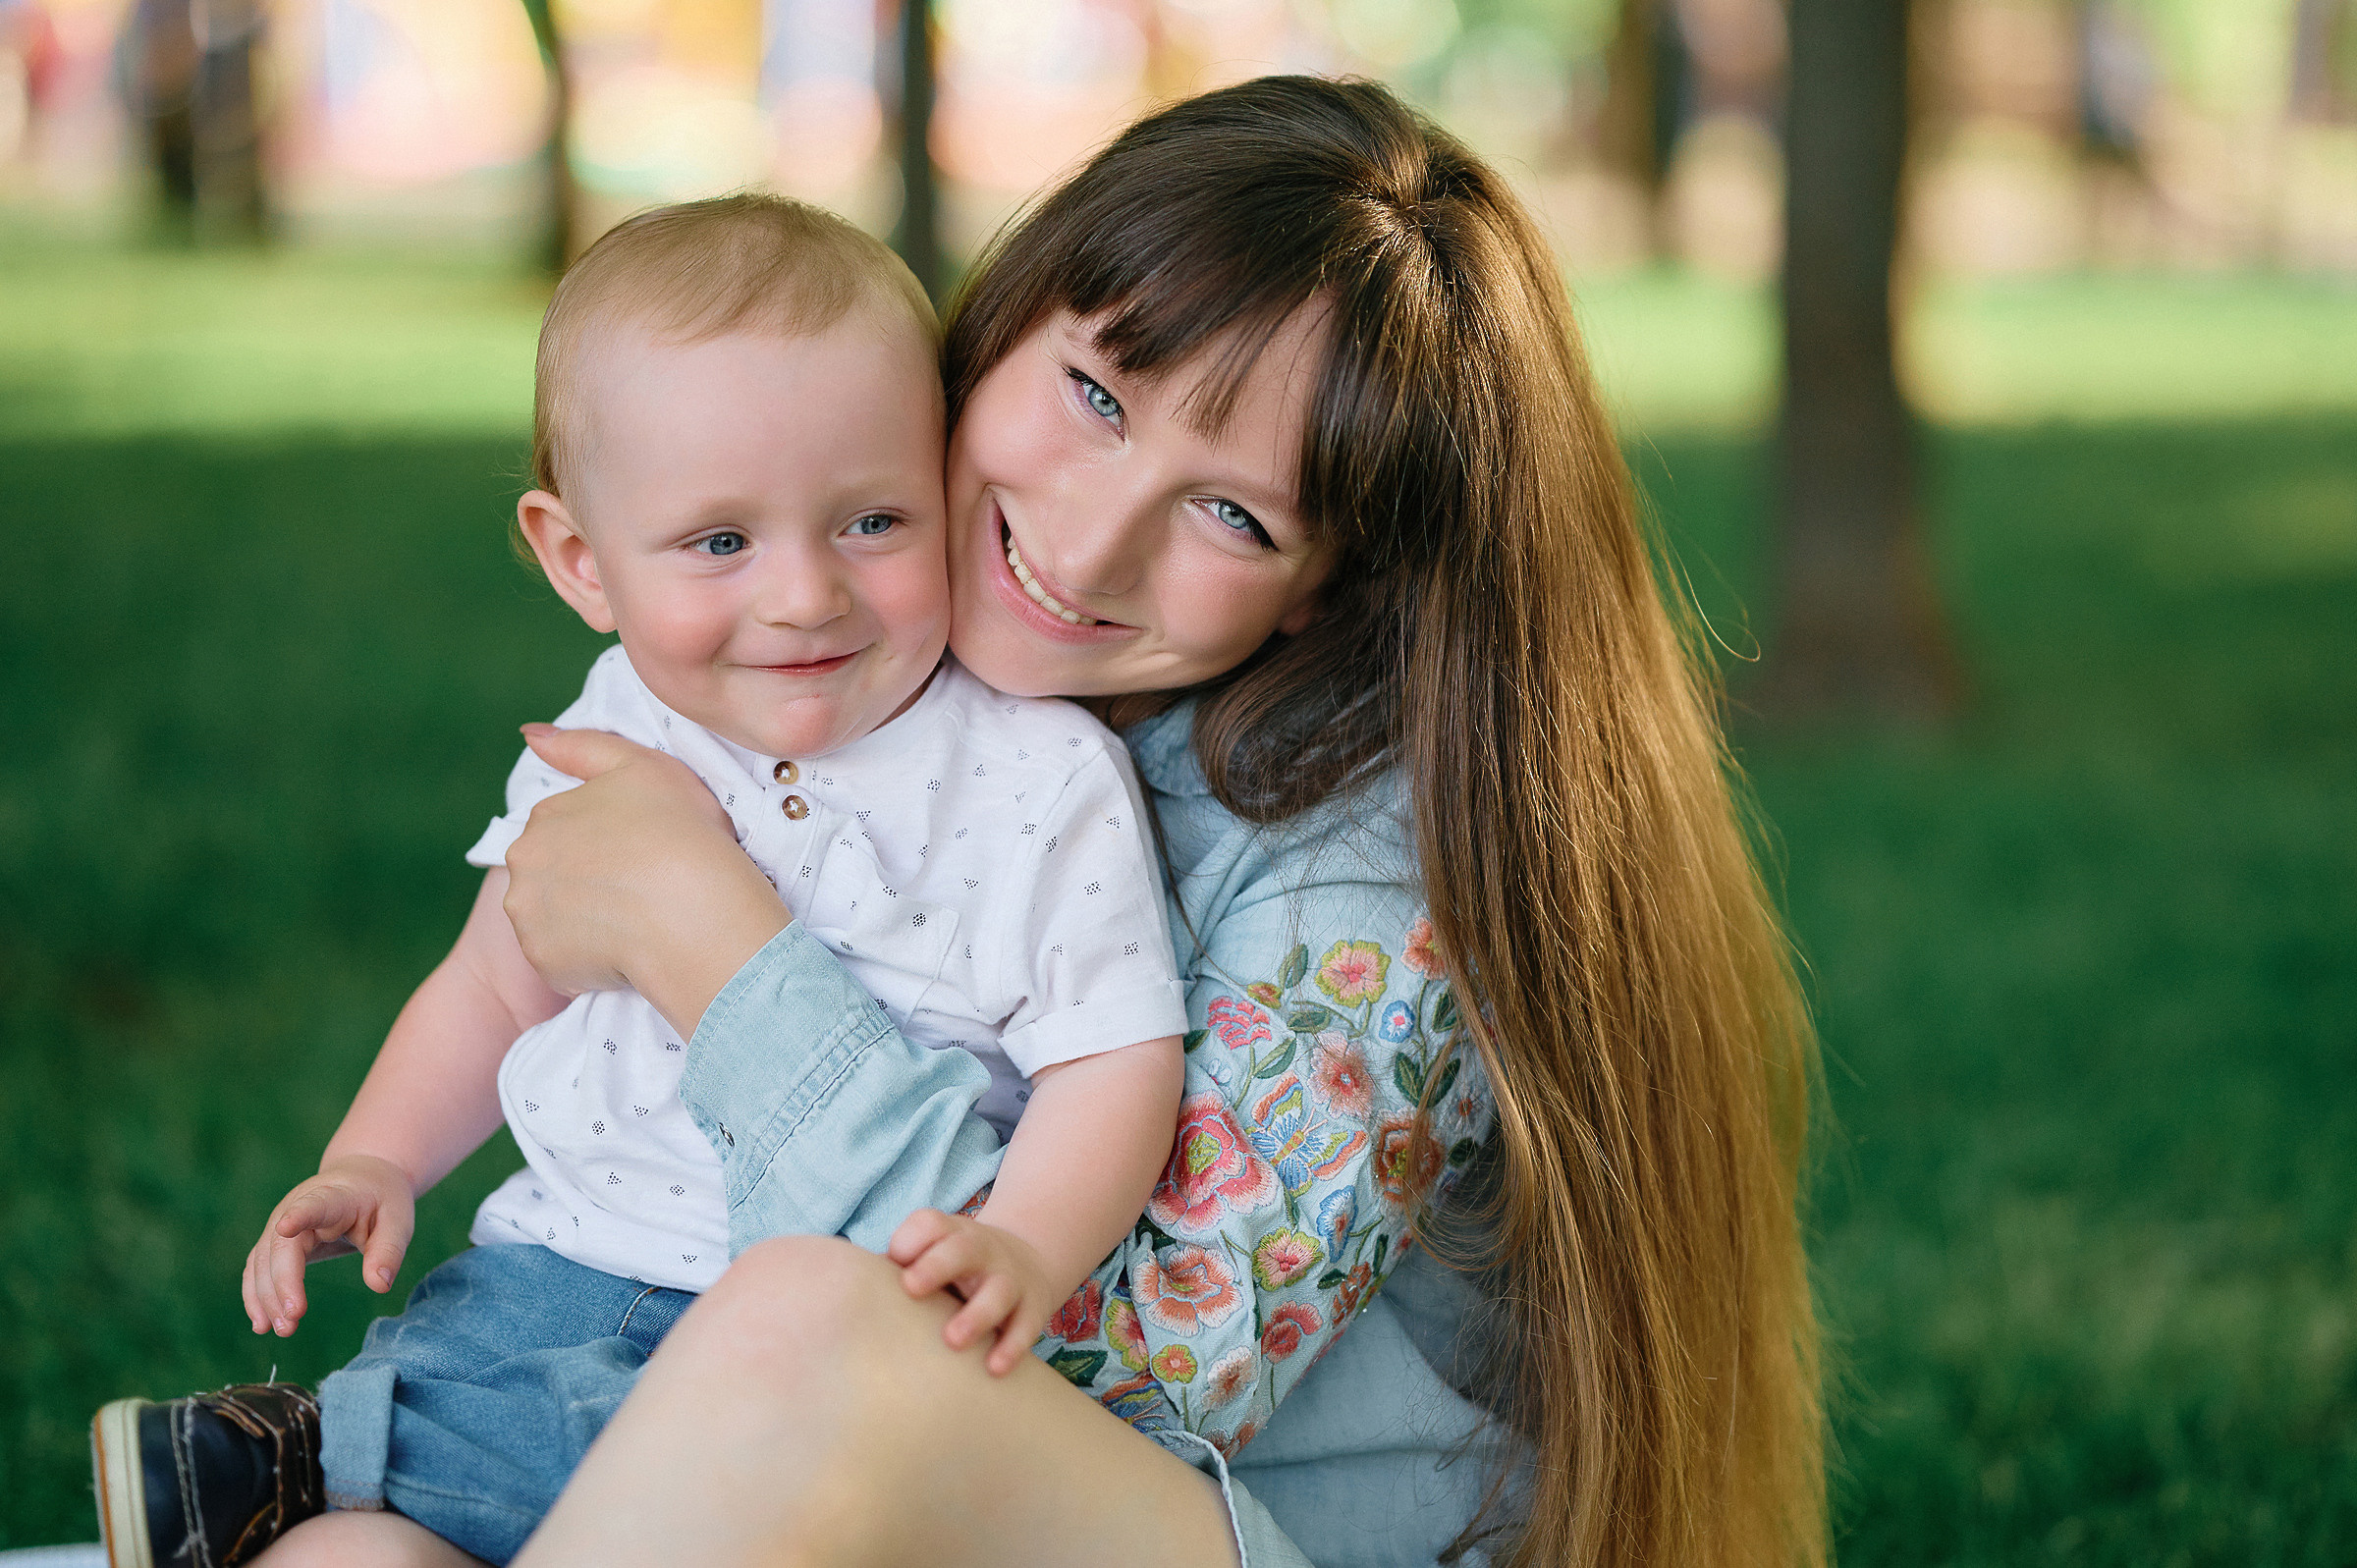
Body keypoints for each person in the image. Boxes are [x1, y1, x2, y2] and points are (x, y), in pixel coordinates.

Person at [206, 74, 1819, 1568]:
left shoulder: (1380, 889)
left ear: (1344, 581)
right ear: (1005, 309)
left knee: (802, 1325)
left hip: (1196, 1512)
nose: (1092, 542)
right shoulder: (905, 713)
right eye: (1099, 397)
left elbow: (1088, 1370)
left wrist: (710, 942)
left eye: (1233, 512)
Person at [88, 194, 1192, 1568]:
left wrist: (1024, 1244)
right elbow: (494, 976)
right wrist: (375, 1154)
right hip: (544, 1291)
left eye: (873, 521)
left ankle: (284, 1464)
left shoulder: (1034, 777)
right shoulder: (616, 729)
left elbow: (1114, 1058)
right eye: (721, 543)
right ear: (578, 559)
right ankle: (303, 1477)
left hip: (823, 1351)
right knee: (352, 1554)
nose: (803, 595)